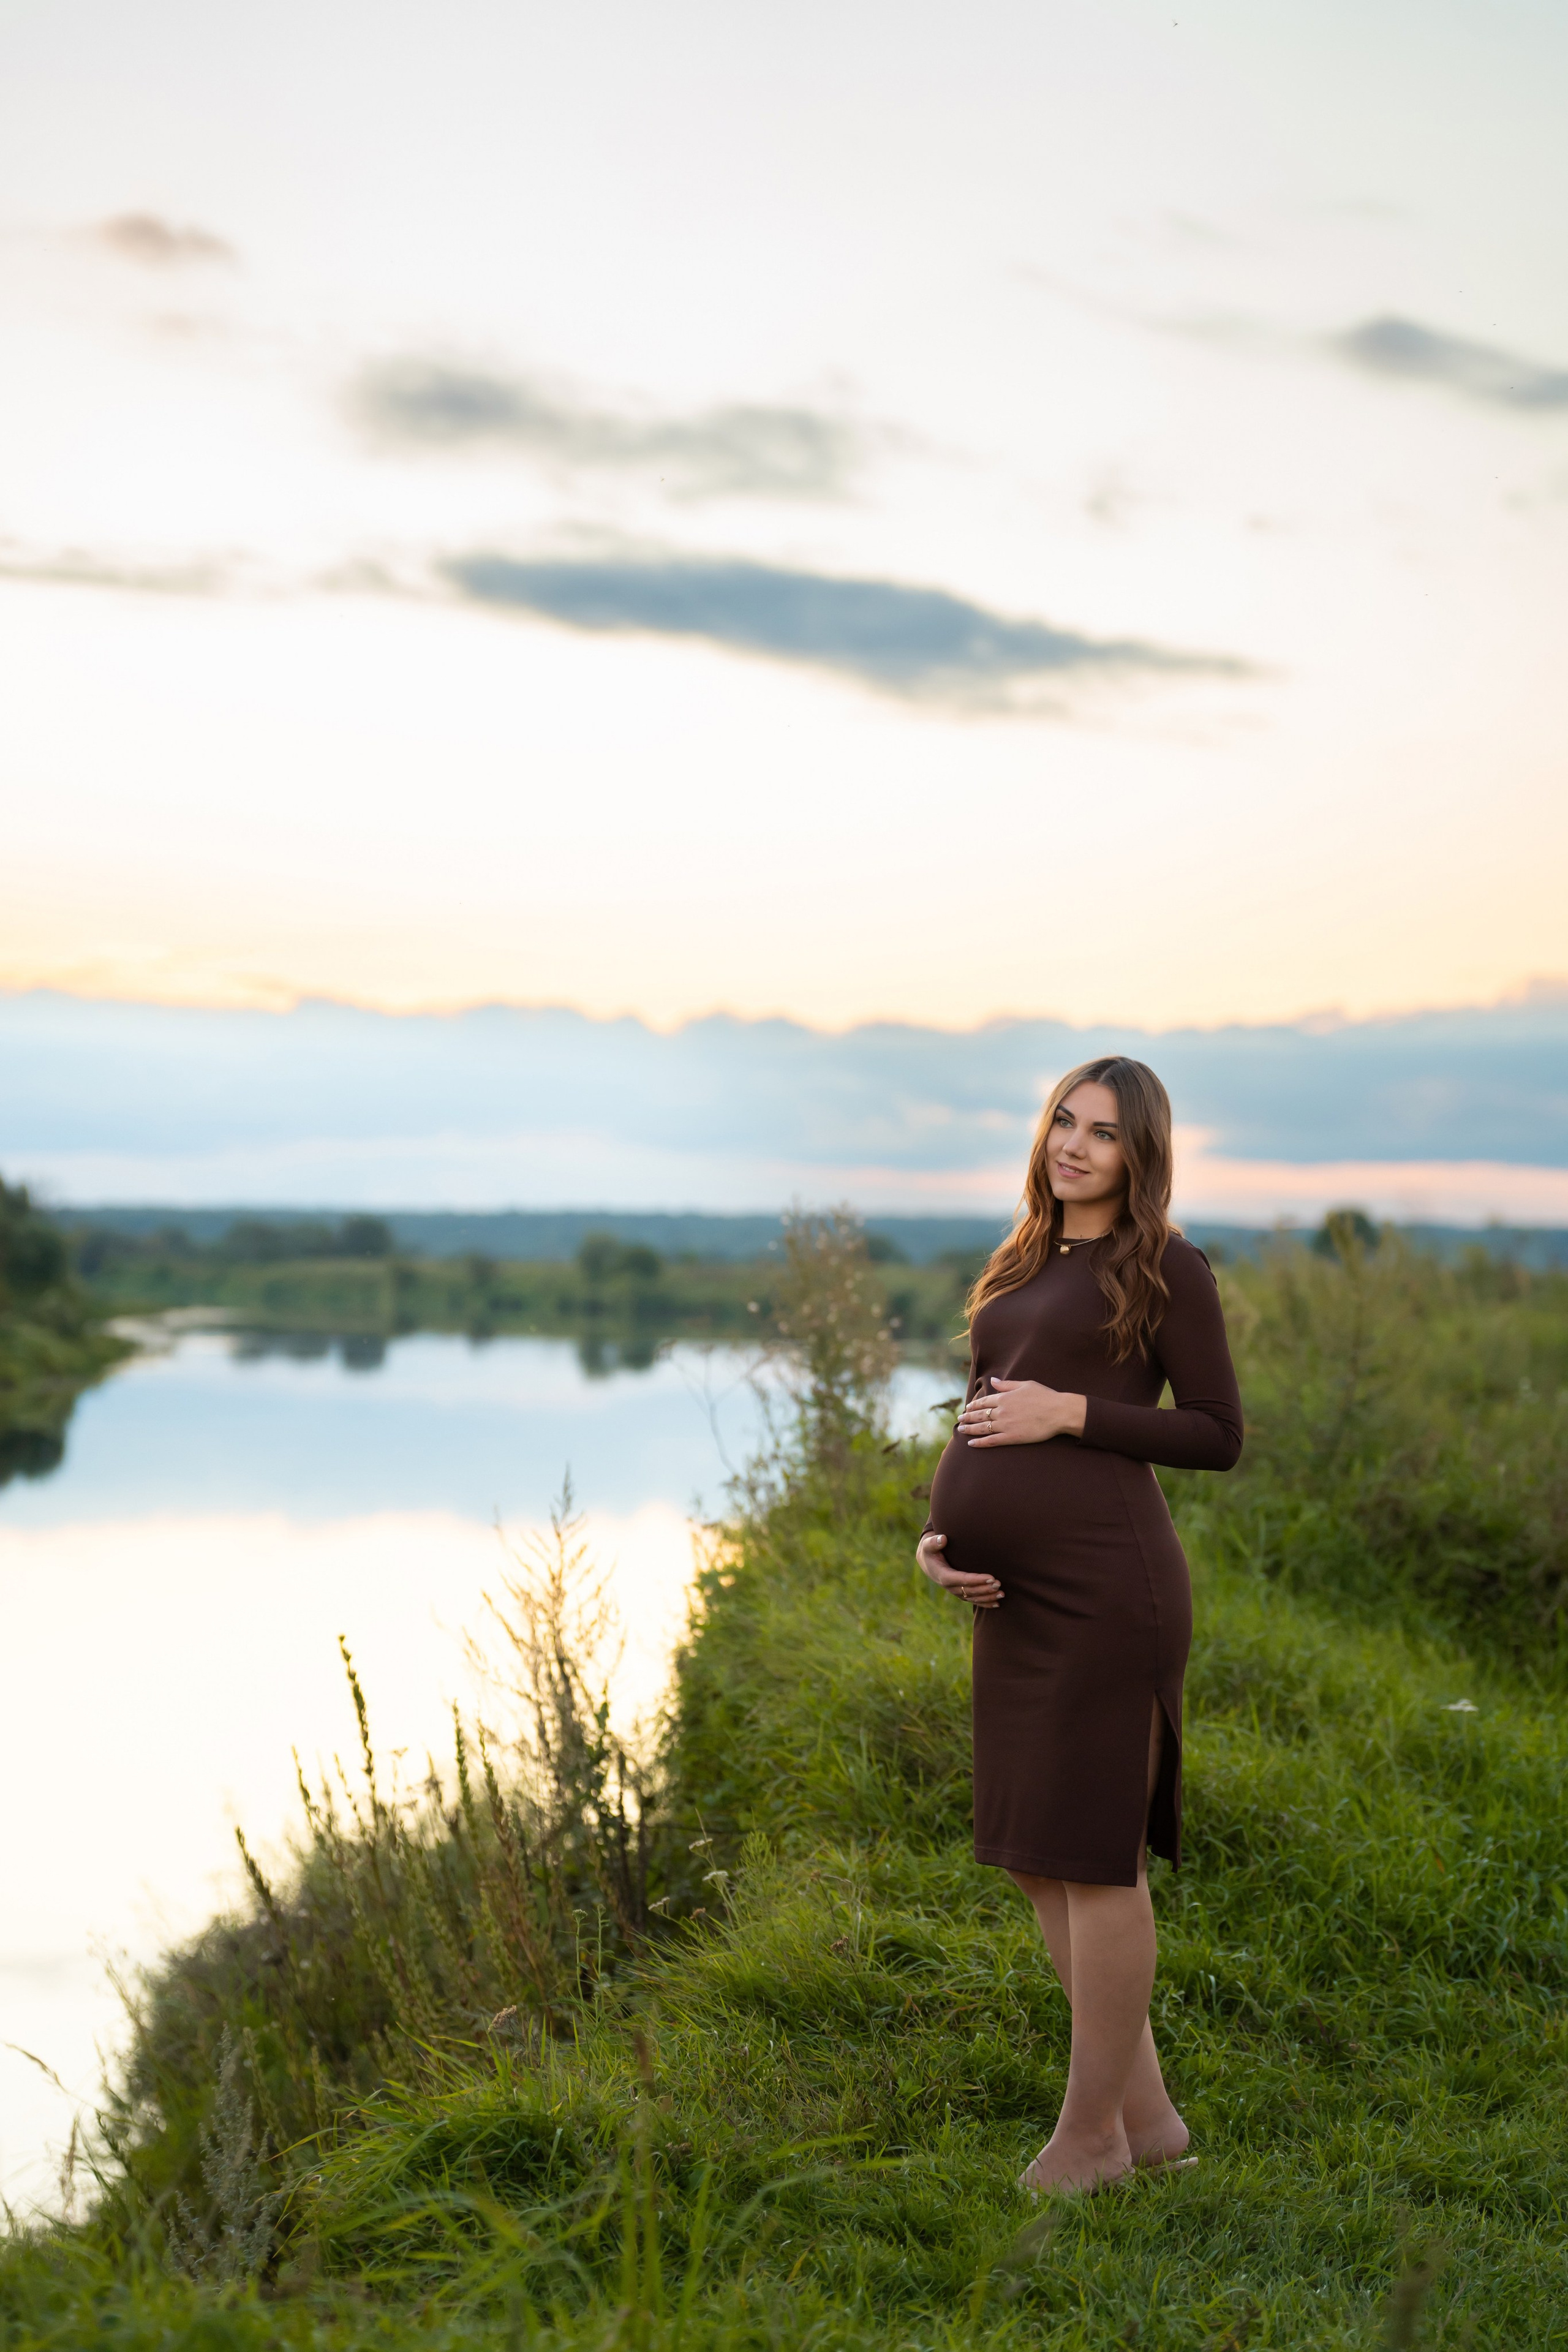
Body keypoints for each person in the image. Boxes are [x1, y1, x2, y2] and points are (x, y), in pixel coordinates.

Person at [916, 1056, 1242, 2195]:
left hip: (1108, 1595)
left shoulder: (1165, 1265)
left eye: (1104, 1133)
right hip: (1016, 1605)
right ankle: (1148, 2120)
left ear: (1137, 1156)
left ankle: (1094, 2135)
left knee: (1099, 1865)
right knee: (1037, 1859)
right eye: (1065, 1119)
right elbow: (982, 1407)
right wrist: (940, 1539)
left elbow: (1214, 1433)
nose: (1074, 1144)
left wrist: (1075, 1415)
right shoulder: (1023, 1258)